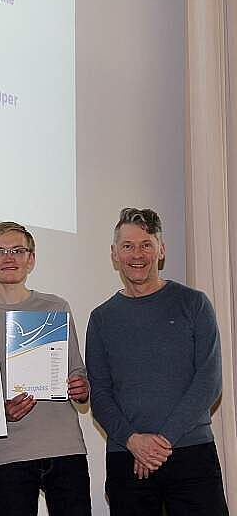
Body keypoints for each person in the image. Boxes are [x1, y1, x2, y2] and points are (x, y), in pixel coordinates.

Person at [85, 207, 229, 516]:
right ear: (114, 253)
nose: (137, 254)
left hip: (191, 453)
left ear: (161, 250)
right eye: (128, 246)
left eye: (146, 245)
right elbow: (100, 395)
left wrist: (160, 443)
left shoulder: (194, 303)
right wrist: (134, 442)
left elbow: (209, 381)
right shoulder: (101, 318)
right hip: (127, 457)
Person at [0, 222, 91, 516]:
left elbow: (77, 372)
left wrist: (81, 389)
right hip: (9, 453)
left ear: (31, 258)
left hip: (65, 447)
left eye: (17, 250)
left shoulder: (56, 306)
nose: (9, 258)